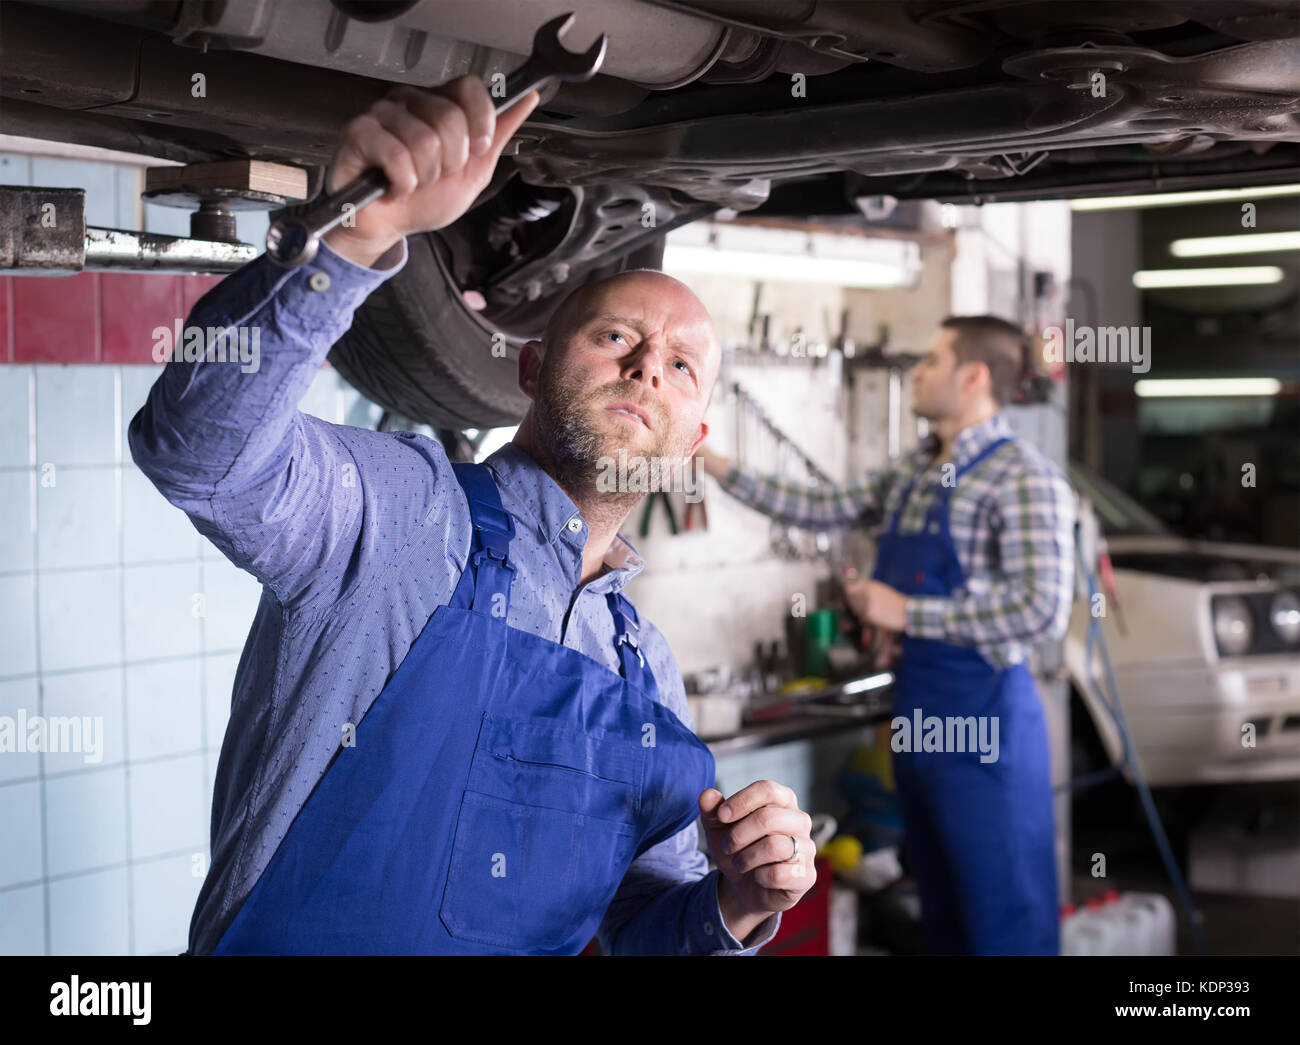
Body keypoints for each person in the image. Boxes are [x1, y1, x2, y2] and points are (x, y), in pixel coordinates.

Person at [129, 76, 816, 955]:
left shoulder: (647, 672)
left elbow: (649, 931)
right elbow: (198, 450)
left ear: (693, 441)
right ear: (530, 370)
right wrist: (357, 232)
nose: (648, 366)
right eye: (615, 337)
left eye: (682, 366)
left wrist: (740, 902)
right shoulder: (401, 512)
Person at [697, 317, 1075, 955]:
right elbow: (820, 506)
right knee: (942, 908)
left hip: (988, 727)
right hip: (921, 717)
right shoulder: (915, 472)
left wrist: (906, 612)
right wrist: (707, 459)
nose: (916, 373)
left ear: (973, 376)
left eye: (931, 360)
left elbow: (1041, 611)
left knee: (1004, 912)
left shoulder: (1021, 477)